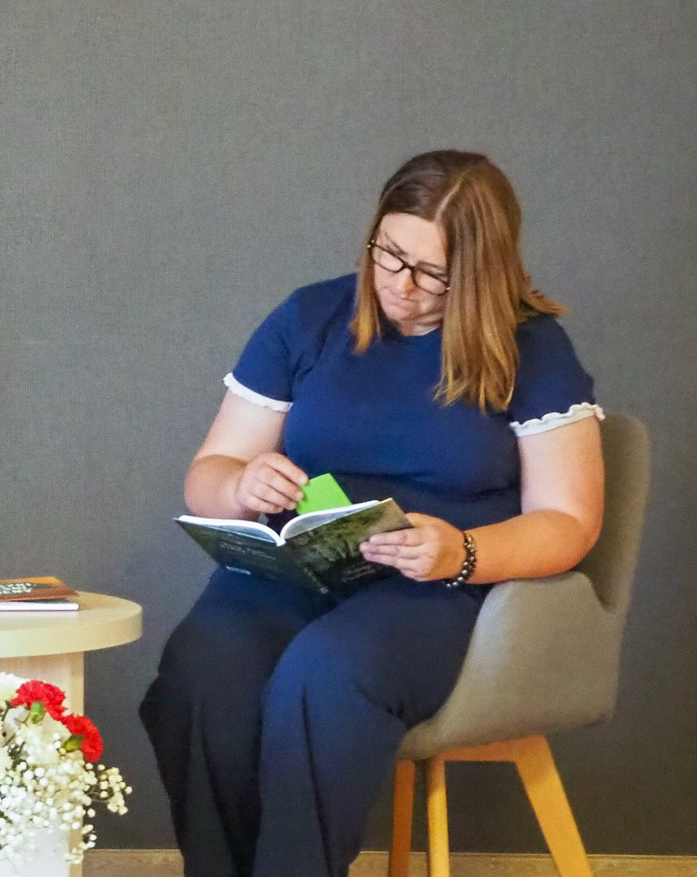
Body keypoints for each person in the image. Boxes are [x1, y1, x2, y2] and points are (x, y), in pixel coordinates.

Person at [139, 151, 605, 877]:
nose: (400, 283)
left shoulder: (531, 346)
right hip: (299, 567)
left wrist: (461, 552)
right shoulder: (309, 316)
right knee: (204, 668)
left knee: (326, 674)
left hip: (431, 587)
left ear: (481, 271)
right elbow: (209, 474)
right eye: (388, 253)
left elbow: (569, 520)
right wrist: (241, 485)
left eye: (431, 272)